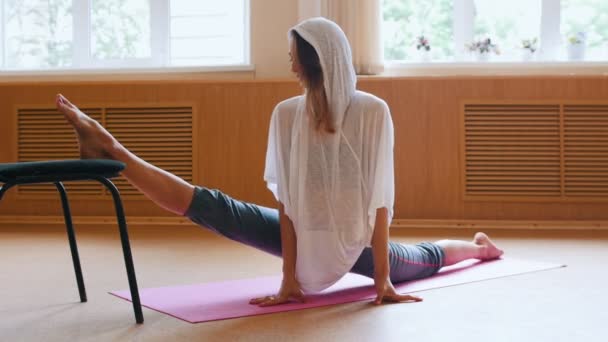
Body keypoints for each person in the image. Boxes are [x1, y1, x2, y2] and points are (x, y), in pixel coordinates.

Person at [55, 17, 503, 308]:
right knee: (214, 206)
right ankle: (111, 149)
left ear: (317, 62)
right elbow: (287, 203)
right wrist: (289, 277)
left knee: (425, 257)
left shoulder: (372, 111)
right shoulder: (287, 114)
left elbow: (380, 202)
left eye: (295, 59)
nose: (290, 67)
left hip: (361, 242)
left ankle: (480, 247)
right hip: (303, 236)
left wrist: (383, 280)